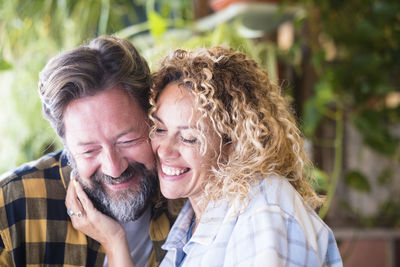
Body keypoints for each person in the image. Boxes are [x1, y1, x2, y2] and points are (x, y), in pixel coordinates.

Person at [67, 46, 343, 266]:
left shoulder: (263, 211)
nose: (164, 150)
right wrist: (115, 243)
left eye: (189, 137)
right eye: (159, 129)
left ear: (234, 142)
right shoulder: (192, 223)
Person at [0, 35, 174, 267]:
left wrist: (115, 243)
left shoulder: (187, 193)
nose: (114, 167)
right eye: (89, 150)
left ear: (152, 119)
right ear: (67, 146)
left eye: (127, 141)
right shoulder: (11, 206)